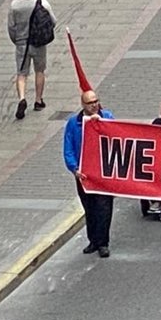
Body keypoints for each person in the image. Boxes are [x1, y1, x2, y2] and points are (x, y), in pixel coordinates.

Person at [63, 89, 115, 257]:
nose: (94, 105)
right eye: (90, 103)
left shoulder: (107, 117)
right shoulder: (73, 123)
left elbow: (117, 138)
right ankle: (93, 240)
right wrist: (74, 168)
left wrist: (102, 125)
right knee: (90, 208)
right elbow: (68, 147)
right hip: (84, 175)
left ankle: (103, 243)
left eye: (96, 101)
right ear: (83, 105)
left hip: (103, 174)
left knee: (104, 208)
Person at [7, 0, 56, 120]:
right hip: (39, 43)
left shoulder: (14, 6)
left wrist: (17, 40)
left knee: (22, 74)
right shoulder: (42, 3)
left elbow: (11, 27)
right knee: (39, 71)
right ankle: (38, 100)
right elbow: (53, 21)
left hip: (22, 44)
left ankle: (22, 98)